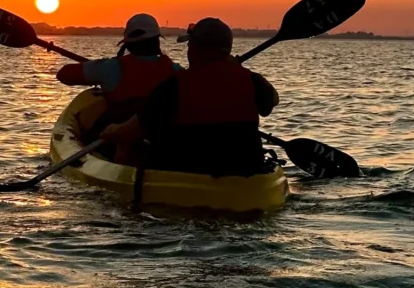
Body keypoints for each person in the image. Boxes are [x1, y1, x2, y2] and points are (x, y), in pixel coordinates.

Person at [99, 17, 279, 176]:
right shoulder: (252, 81)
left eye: (189, 45)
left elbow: (130, 132)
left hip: (187, 175)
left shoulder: (172, 86)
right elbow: (272, 101)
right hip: (246, 173)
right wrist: (235, 68)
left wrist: (112, 130)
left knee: (133, 147)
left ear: (194, 48)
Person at [56, 13, 180, 138]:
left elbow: (63, 74)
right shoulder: (176, 71)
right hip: (162, 138)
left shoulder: (110, 67)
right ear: (157, 40)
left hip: (117, 140)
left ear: (128, 44)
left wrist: (97, 68)